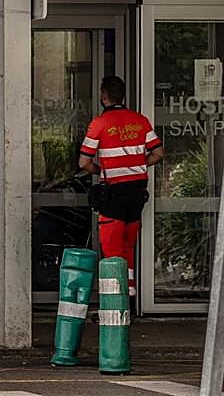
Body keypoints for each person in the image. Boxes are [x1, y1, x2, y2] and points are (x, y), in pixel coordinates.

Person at [78, 75, 164, 298]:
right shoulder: (140, 120)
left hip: (114, 192)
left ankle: (113, 304)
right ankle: (129, 295)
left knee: (111, 251)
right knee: (127, 248)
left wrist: (102, 171)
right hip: (137, 192)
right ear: (123, 96)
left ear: (103, 95)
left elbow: (83, 163)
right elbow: (158, 153)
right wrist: (137, 164)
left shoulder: (99, 123)